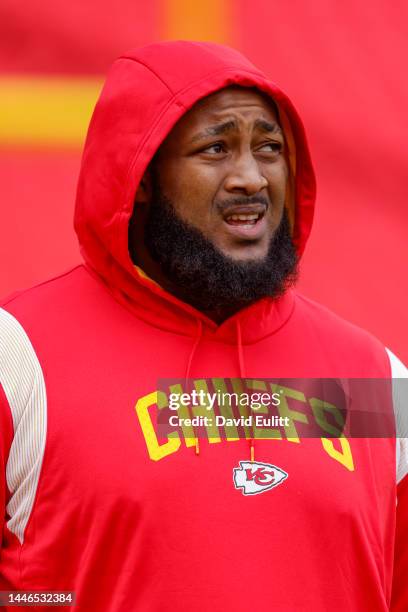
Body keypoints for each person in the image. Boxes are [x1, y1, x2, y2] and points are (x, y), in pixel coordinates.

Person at [0, 40, 406, 612]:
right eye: (216, 147)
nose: (252, 178)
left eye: (269, 148)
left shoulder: (377, 379)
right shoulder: (18, 357)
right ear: (139, 175)